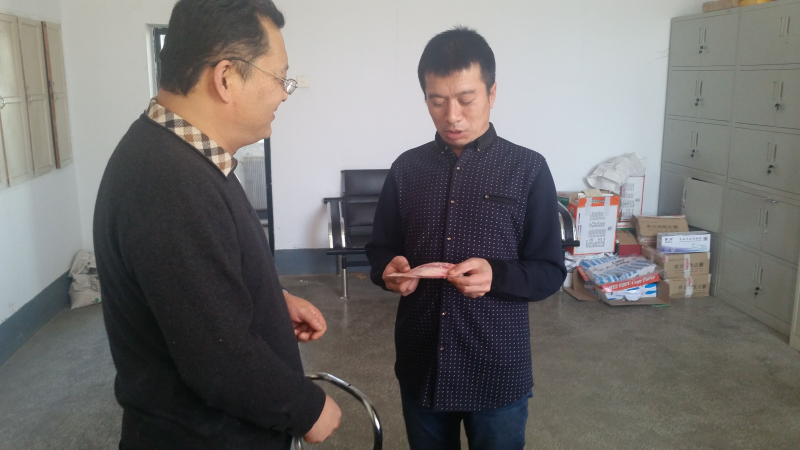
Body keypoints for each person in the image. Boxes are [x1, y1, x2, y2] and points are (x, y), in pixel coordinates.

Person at [93, 1, 341, 448]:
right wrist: (306, 408)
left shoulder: (182, 159)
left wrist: (270, 300)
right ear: (226, 78)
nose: (284, 94)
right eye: (279, 78)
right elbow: (218, 360)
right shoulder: (168, 183)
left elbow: (197, 288)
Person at [365, 27, 566, 450]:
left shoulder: (527, 169)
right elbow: (381, 247)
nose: (452, 116)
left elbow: (549, 271)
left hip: (496, 366)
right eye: (437, 101)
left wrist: (497, 275)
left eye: (466, 99)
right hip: (423, 361)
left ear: (492, 93)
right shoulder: (406, 169)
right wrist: (388, 268)